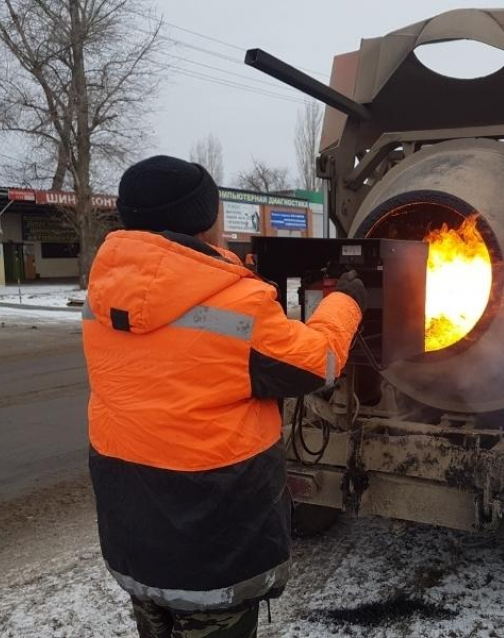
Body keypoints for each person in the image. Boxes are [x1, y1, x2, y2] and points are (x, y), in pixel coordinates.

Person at [82, 155, 366, 638]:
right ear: (206, 217)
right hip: (210, 534)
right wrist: (345, 300)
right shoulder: (237, 305)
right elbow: (316, 362)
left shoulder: (102, 292)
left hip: (132, 520)